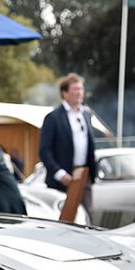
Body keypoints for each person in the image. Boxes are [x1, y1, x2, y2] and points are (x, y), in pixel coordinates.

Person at [39, 73, 97, 214]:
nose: (79, 93)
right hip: (62, 179)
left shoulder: (86, 115)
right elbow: (44, 151)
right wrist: (59, 174)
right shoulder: (53, 118)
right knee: (64, 220)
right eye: (75, 89)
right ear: (64, 93)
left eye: (81, 89)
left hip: (84, 176)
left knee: (87, 218)